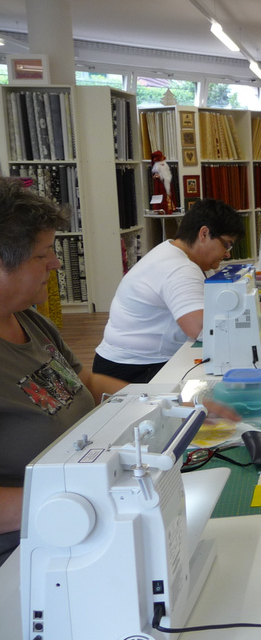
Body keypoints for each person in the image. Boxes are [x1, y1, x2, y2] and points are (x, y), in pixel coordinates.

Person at [0, 179, 129, 566]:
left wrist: (160, 403)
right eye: (42, 255)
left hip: (86, 516)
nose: (56, 264)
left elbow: (84, 382)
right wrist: (89, 496)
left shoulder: (28, 321)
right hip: (30, 549)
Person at [93, 198, 246, 383]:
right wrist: (248, 310)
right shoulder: (179, 268)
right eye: (227, 244)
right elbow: (203, 329)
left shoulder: (174, 252)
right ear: (204, 233)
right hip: (131, 371)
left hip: (128, 363)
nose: (228, 253)